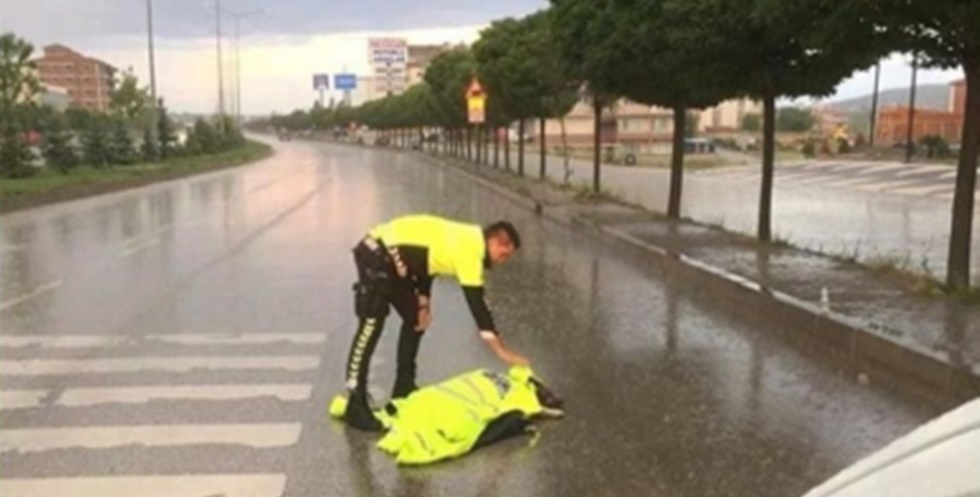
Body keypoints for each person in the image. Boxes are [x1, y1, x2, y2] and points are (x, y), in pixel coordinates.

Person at [343, 214, 529, 431]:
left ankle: (404, 387)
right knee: (370, 327)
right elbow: (479, 307)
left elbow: (426, 264)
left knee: (417, 320)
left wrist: (424, 302)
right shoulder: (470, 250)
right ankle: (355, 405)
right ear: (495, 242)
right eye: (503, 255)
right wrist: (503, 352)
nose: (501, 261)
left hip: (394, 261)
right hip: (377, 252)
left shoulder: (465, 238)